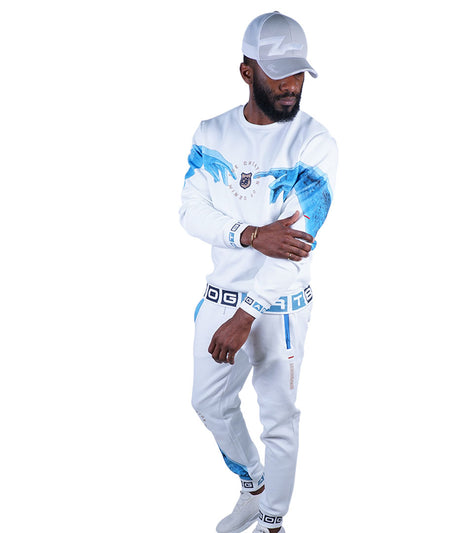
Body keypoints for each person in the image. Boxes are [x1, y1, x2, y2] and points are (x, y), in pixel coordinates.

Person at [180, 11, 338, 533]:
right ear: (247, 72)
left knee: (279, 419)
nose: (292, 85)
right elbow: (190, 212)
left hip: (280, 306)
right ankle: (254, 486)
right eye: (279, 74)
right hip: (219, 297)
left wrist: (247, 315)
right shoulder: (211, 133)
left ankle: (273, 522)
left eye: (298, 73)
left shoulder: (315, 143)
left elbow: (294, 246)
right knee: (208, 403)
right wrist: (249, 234)